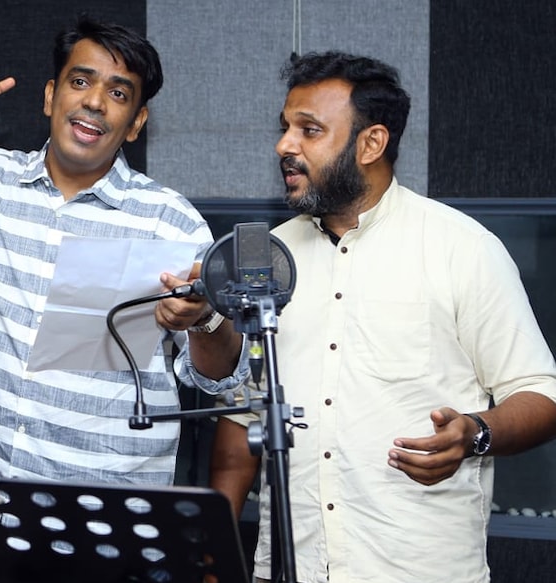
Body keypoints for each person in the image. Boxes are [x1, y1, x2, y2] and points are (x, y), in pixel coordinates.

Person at [208, 51, 556, 583]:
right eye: (285, 128)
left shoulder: (463, 249)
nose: (284, 146)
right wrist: (213, 557)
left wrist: (474, 433)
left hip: (419, 570)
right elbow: (241, 418)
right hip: (291, 567)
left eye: (309, 130)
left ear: (371, 143)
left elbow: (541, 393)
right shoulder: (268, 258)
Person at [0, 16, 241, 486]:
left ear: (136, 123)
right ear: (51, 96)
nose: (94, 102)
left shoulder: (170, 222)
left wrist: (204, 319)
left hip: (106, 512)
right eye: (81, 82)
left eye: (118, 93)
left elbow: (221, 376)